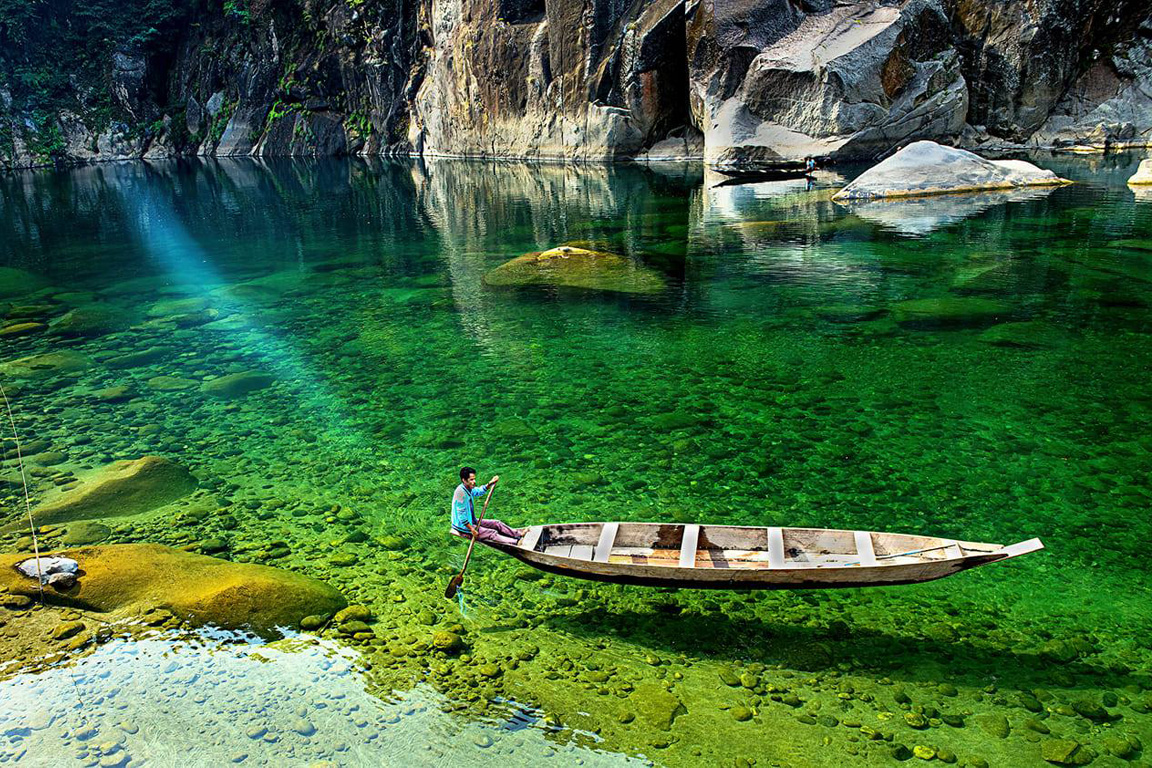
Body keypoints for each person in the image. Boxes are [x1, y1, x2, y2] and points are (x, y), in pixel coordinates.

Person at [451, 467, 524, 546]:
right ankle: (516, 542)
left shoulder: (468, 488)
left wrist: (489, 484)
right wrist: (472, 530)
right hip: (463, 528)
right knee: (491, 533)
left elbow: (478, 491)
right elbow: (462, 517)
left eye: (474, 479)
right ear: (464, 480)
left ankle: (518, 534)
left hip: (472, 520)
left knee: (496, 523)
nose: (474, 482)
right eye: (471, 480)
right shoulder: (460, 494)